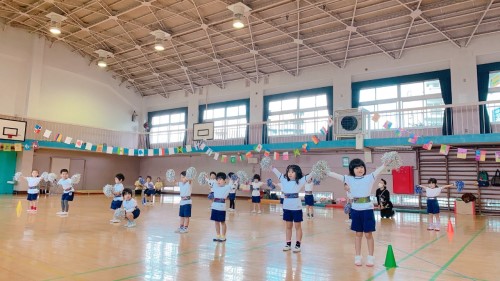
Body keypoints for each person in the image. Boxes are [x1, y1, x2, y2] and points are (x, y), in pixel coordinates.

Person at [327, 158, 385, 267]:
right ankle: (358, 257)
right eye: (357, 168)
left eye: (361, 167)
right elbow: (336, 176)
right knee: (358, 234)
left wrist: (386, 163)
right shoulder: (349, 179)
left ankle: (370, 257)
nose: (360, 169)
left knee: (368, 234)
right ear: (352, 170)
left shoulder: (369, 177)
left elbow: (379, 170)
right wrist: (326, 171)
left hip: (367, 210)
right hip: (355, 210)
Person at [272, 165, 311, 253]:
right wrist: (271, 166)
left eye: (292, 172)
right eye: (289, 171)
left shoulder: (300, 181)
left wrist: (317, 169)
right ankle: (288, 244)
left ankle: (298, 245)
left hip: (296, 207)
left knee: (298, 226)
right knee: (288, 226)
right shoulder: (284, 180)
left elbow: (310, 175)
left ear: (297, 173)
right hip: (286, 207)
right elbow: (276, 172)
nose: (290, 173)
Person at [211, 172, 236, 242]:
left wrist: (234, 179)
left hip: (221, 207)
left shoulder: (227, 187)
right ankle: (218, 235)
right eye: (217, 179)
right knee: (216, 222)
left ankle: (223, 236)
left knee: (222, 222)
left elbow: (233, 184)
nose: (218, 181)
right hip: (214, 206)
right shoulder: (215, 186)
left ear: (225, 180)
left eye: (220, 179)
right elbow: (211, 181)